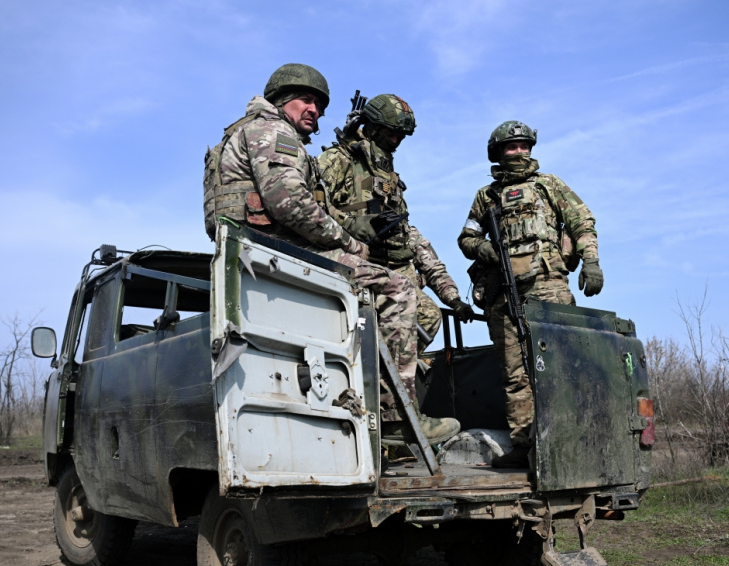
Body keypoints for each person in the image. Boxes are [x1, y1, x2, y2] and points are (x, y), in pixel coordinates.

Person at [204, 64, 459, 445]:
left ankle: (369, 394)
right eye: (306, 100)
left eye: (319, 105)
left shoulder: (244, 132)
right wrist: (349, 241)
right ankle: (394, 418)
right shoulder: (274, 132)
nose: (314, 110)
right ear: (281, 100)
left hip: (256, 252)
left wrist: (449, 289)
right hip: (280, 251)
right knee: (398, 290)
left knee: (417, 311)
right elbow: (291, 202)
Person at [457, 120, 603, 467]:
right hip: (504, 293)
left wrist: (591, 261)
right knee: (514, 373)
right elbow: (466, 238)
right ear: (498, 153)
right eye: (512, 147)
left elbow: (582, 222)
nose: (519, 152)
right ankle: (525, 446)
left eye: (524, 146)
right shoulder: (486, 196)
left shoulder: (549, 185)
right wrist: (483, 249)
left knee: (558, 369)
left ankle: (567, 445)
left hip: (547, 286)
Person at [317, 93, 475, 352]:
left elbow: (410, 238)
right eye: (392, 133)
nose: (396, 141)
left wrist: (453, 298)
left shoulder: (390, 177)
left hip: (397, 270)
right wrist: (353, 225)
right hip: (359, 265)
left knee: (429, 316)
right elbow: (315, 208)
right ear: (373, 126)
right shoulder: (338, 160)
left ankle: (392, 379)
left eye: (401, 135)